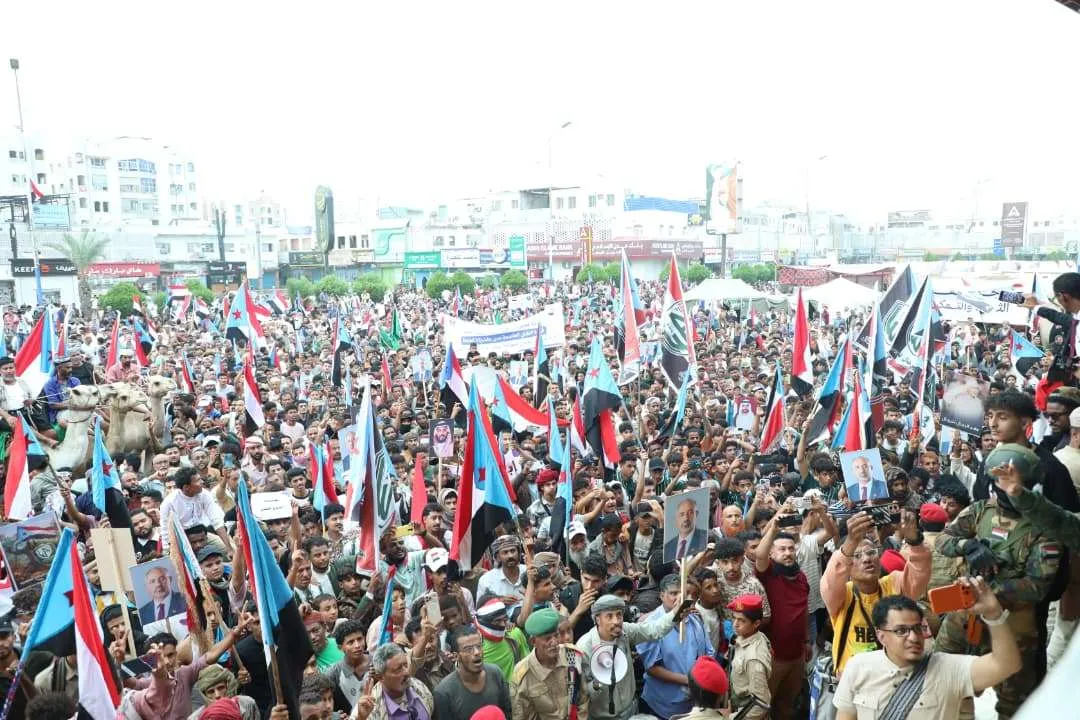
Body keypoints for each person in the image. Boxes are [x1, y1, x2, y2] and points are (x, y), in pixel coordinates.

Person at [934, 443, 1064, 716]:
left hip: (1013, 620)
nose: (1002, 490)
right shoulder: (981, 510)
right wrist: (968, 546)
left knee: (1014, 701)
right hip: (965, 609)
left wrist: (989, 591)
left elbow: (1037, 586)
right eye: (998, 482)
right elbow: (943, 540)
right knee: (940, 677)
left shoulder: (1045, 527)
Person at [834, 582, 1022, 720]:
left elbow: (1006, 665)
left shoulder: (949, 668)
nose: (913, 637)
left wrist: (993, 613)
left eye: (918, 628)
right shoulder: (858, 667)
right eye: (901, 631)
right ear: (881, 636)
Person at [820, 510, 931, 675]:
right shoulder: (842, 594)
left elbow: (919, 573)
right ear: (848, 566)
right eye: (857, 556)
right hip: (853, 681)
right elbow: (831, 580)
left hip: (893, 678)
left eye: (871, 552)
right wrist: (850, 541)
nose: (866, 559)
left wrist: (914, 540)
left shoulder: (893, 584)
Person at [575, 593, 690, 720]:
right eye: (609, 616)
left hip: (631, 712)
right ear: (597, 619)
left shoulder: (625, 631)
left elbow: (654, 629)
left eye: (619, 615)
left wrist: (675, 612)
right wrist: (600, 680)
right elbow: (580, 695)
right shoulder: (584, 648)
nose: (616, 621)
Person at [753, 514, 809, 720]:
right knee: (764, 709)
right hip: (773, 658)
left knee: (788, 706)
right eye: (782, 549)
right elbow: (759, 556)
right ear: (772, 553)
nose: (787, 553)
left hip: (797, 656)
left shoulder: (801, 577)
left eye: (791, 549)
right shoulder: (768, 574)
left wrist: (807, 641)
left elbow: (803, 611)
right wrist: (773, 529)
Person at [636, 574, 714, 720]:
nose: (679, 598)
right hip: (661, 705)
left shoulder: (694, 619)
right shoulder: (650, 624)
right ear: (662, 595)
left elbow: (708, 653)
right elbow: (652, 668)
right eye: (673, 593)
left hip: (691, 705)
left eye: (682, 593)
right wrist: (688, 680)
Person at [510, 607, 591, 720]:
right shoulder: (523, 674)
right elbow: (522, 715)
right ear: (533, 641)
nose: (554, 642)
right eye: (547, 638)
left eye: (556, 635)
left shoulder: (572, 655)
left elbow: (583, 698)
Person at [432, 625, 513, 720]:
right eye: (468, 649)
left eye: (479, 646)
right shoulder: (444, 693)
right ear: (456, 656)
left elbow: (507, 712)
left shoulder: (495, 674)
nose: (476, 652)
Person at [351, 643, 434, 720]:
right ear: (380, 677)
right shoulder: (367, 708)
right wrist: (361, 718)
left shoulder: (419, 687)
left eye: (406, 665)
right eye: (398, 669)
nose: (406, 672)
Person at [725, 594, 771, 719]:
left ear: (756, 623)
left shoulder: (754, 659)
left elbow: (761, 705)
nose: (735, 624)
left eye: (742, 620)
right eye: (734, 618)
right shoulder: (745, 635)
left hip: (745, 712)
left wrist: (732, 718)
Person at [664, 495, 707, 562]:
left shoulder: (705, 538)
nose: (686, 518)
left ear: (696, 514)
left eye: (690, 513)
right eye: (681, 514)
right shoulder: (668, 546)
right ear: (676, 518)